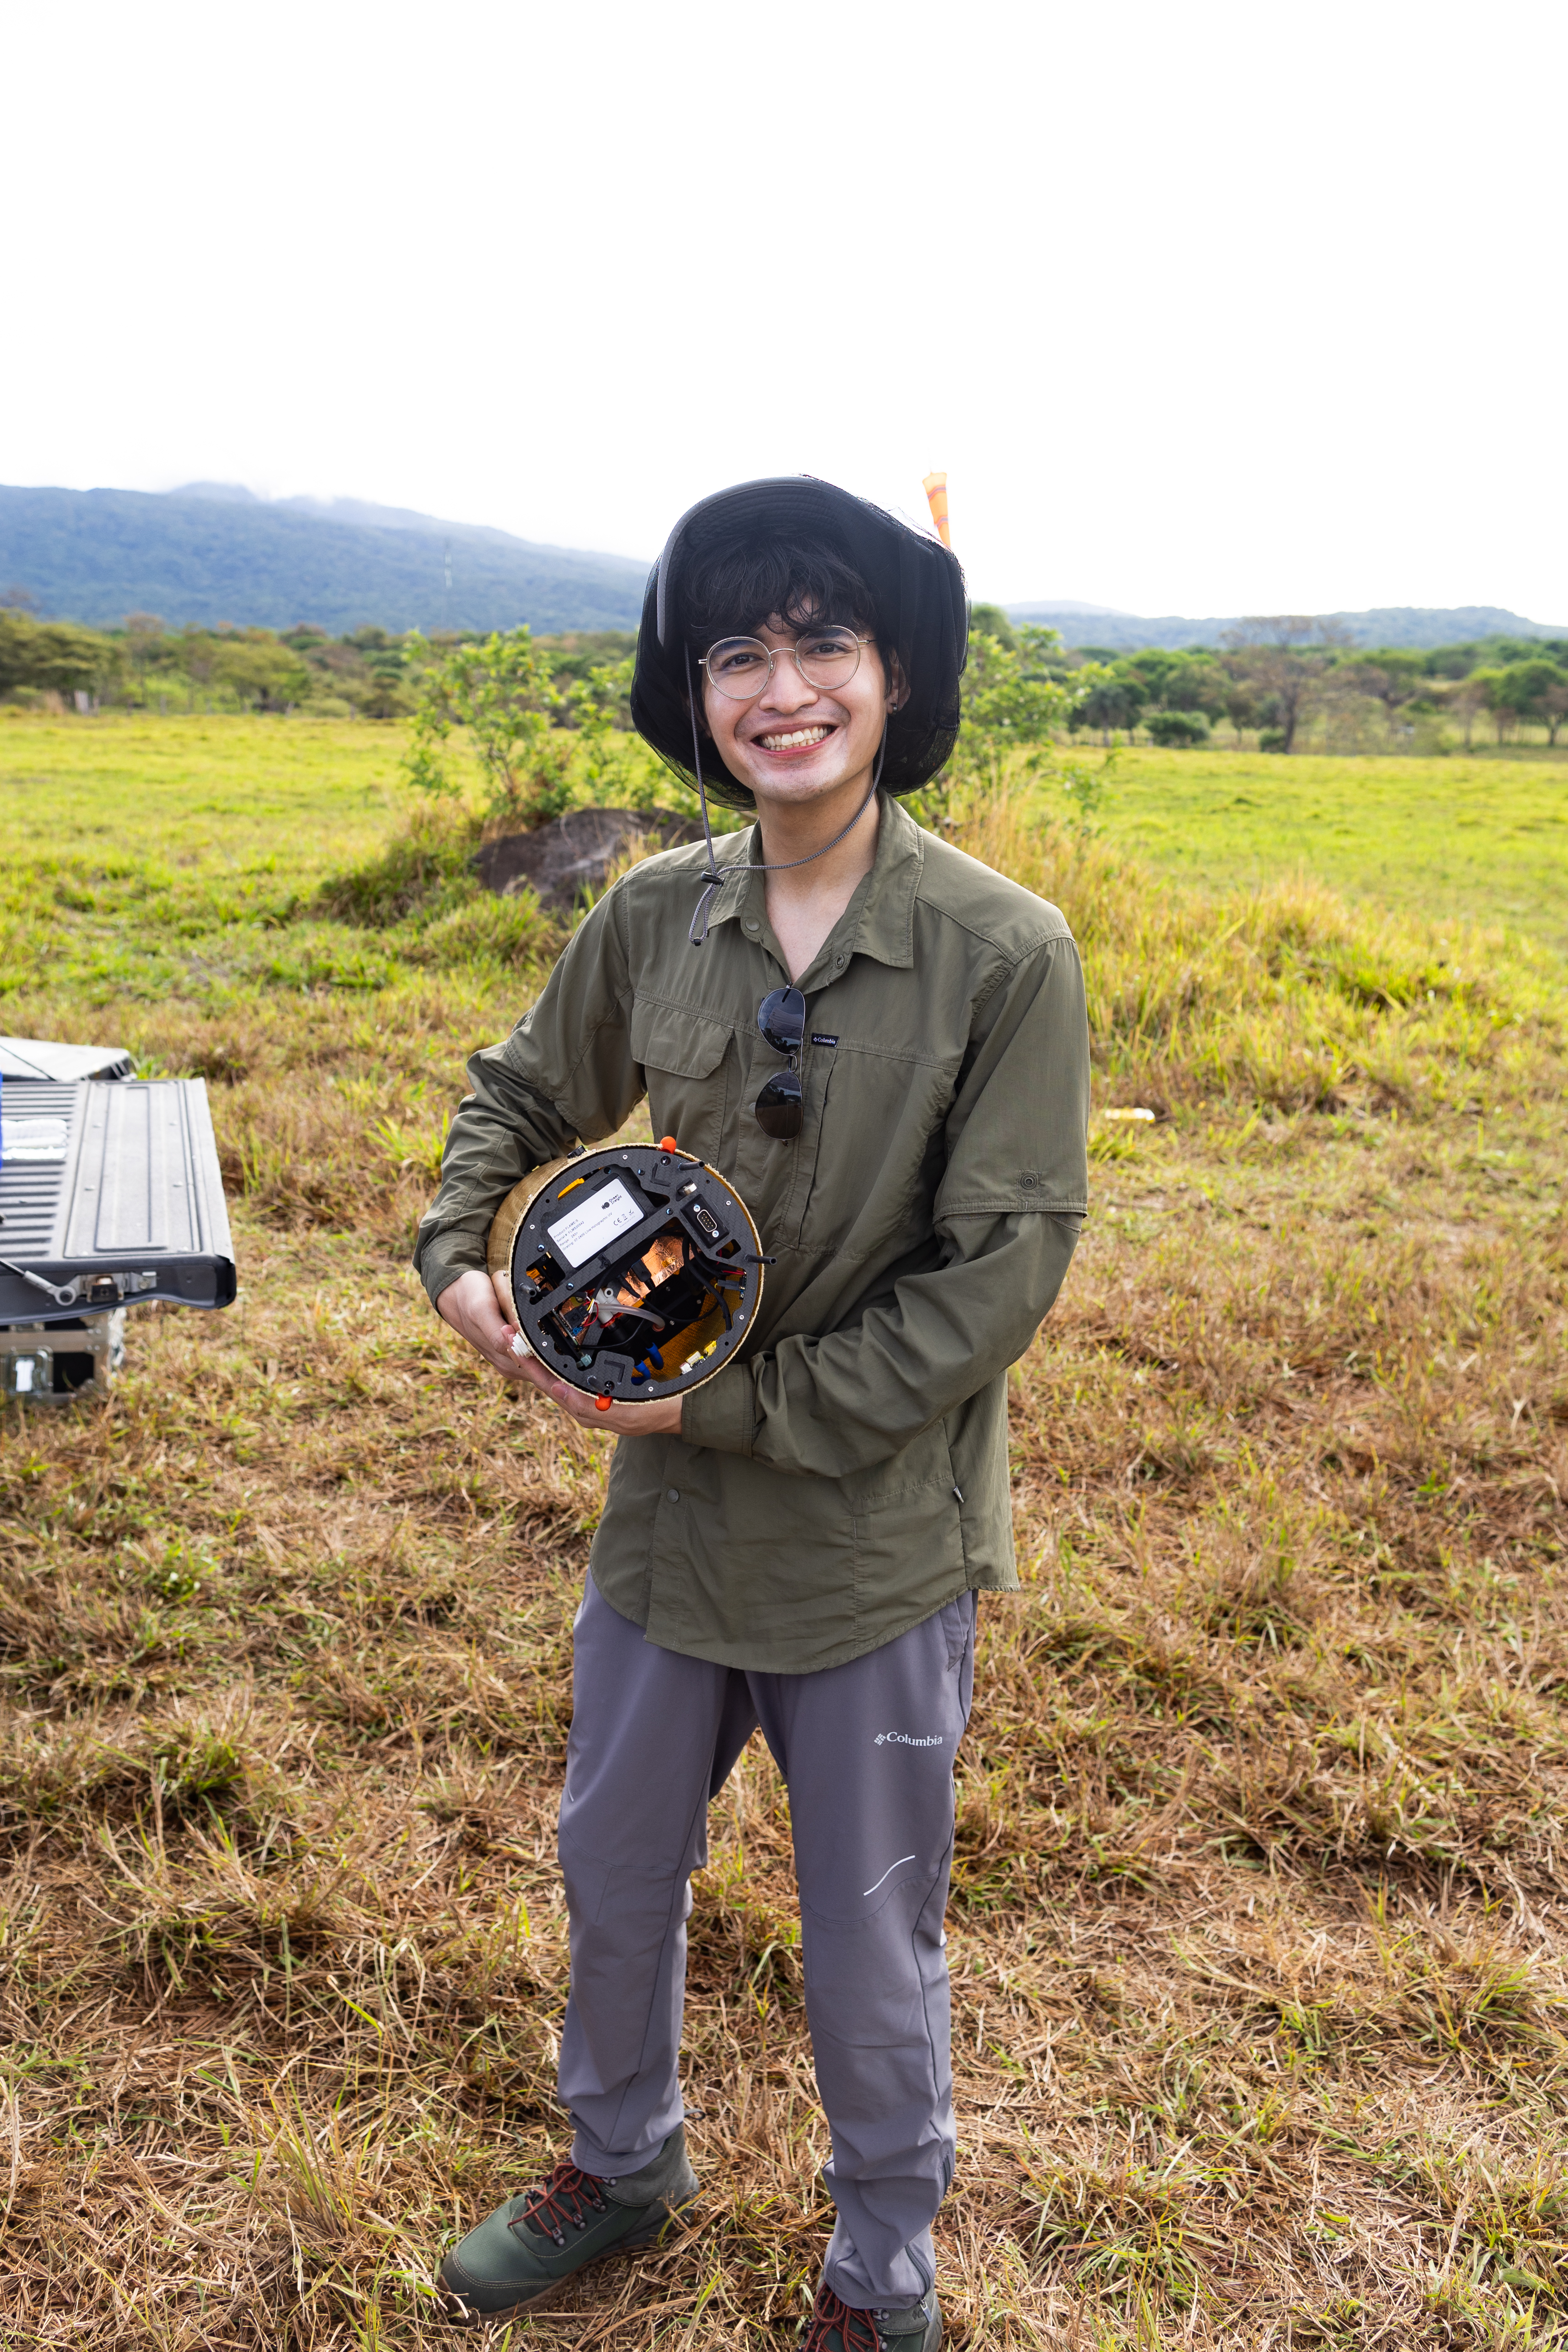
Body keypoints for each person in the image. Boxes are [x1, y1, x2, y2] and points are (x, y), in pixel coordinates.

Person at [416, 477, 1090, 2347]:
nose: (777, 685)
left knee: (870, 1941)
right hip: (663, 1539)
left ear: (890, 676)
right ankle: (619, 2156)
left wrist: (722, 1413)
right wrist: (463, 1256)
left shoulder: (1001, 950)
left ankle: (883, 2277)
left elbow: (995, 1278)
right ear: (693, 687)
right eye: (736, 650)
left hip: (870, 1544)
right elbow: (513, 1099)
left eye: (820, 643)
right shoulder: (653, 913)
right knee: (613, 1872)